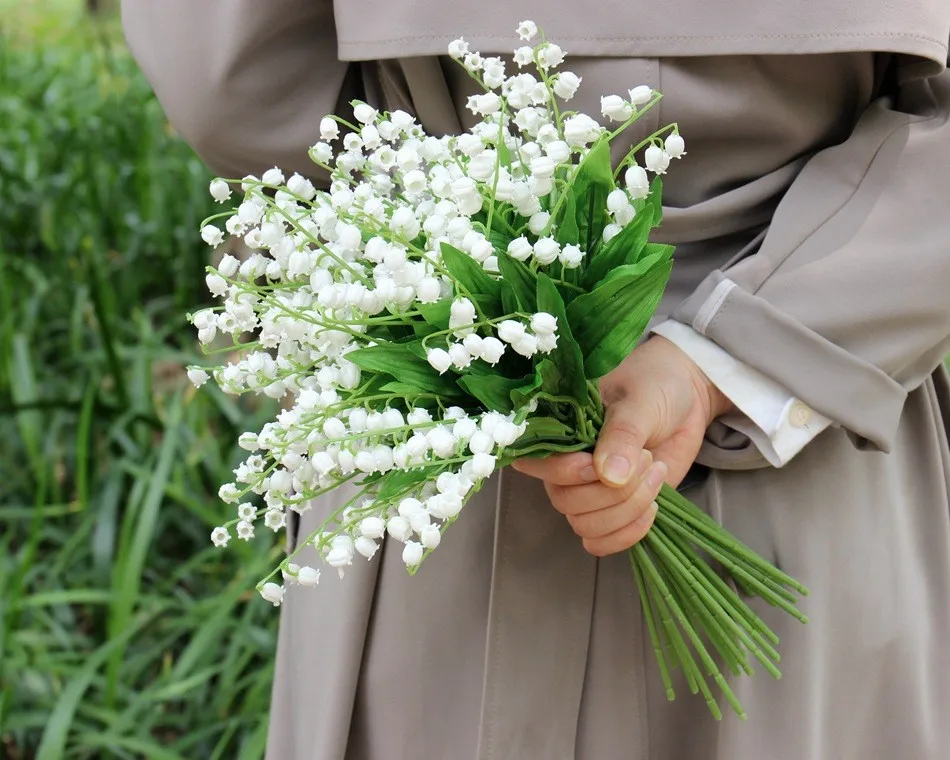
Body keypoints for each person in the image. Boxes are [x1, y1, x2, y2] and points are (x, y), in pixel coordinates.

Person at [121, 2, 950, 758]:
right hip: (805, 436)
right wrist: (728, 356)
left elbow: (221, 76)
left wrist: (411, 243)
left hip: (434, 449)